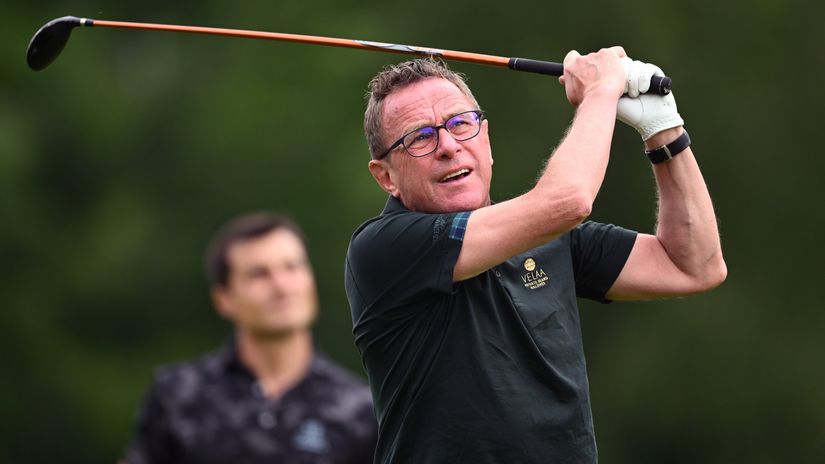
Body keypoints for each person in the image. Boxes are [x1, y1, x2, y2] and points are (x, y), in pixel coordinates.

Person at [345, 49, 727, 463]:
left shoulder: (552, 240)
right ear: (386, 177)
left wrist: (664, 129)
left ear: (486, 139)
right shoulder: (383, 248)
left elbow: (693, 266)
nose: (449, 146)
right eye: (420, 137)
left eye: (460, 124)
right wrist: (601, 91)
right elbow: (568, 201)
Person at [123, 212, 377, 464]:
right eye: (259, 274)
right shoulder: (177, 397)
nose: (281, 285)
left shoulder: (360, 411)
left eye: (292, 267)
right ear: (223, 299)